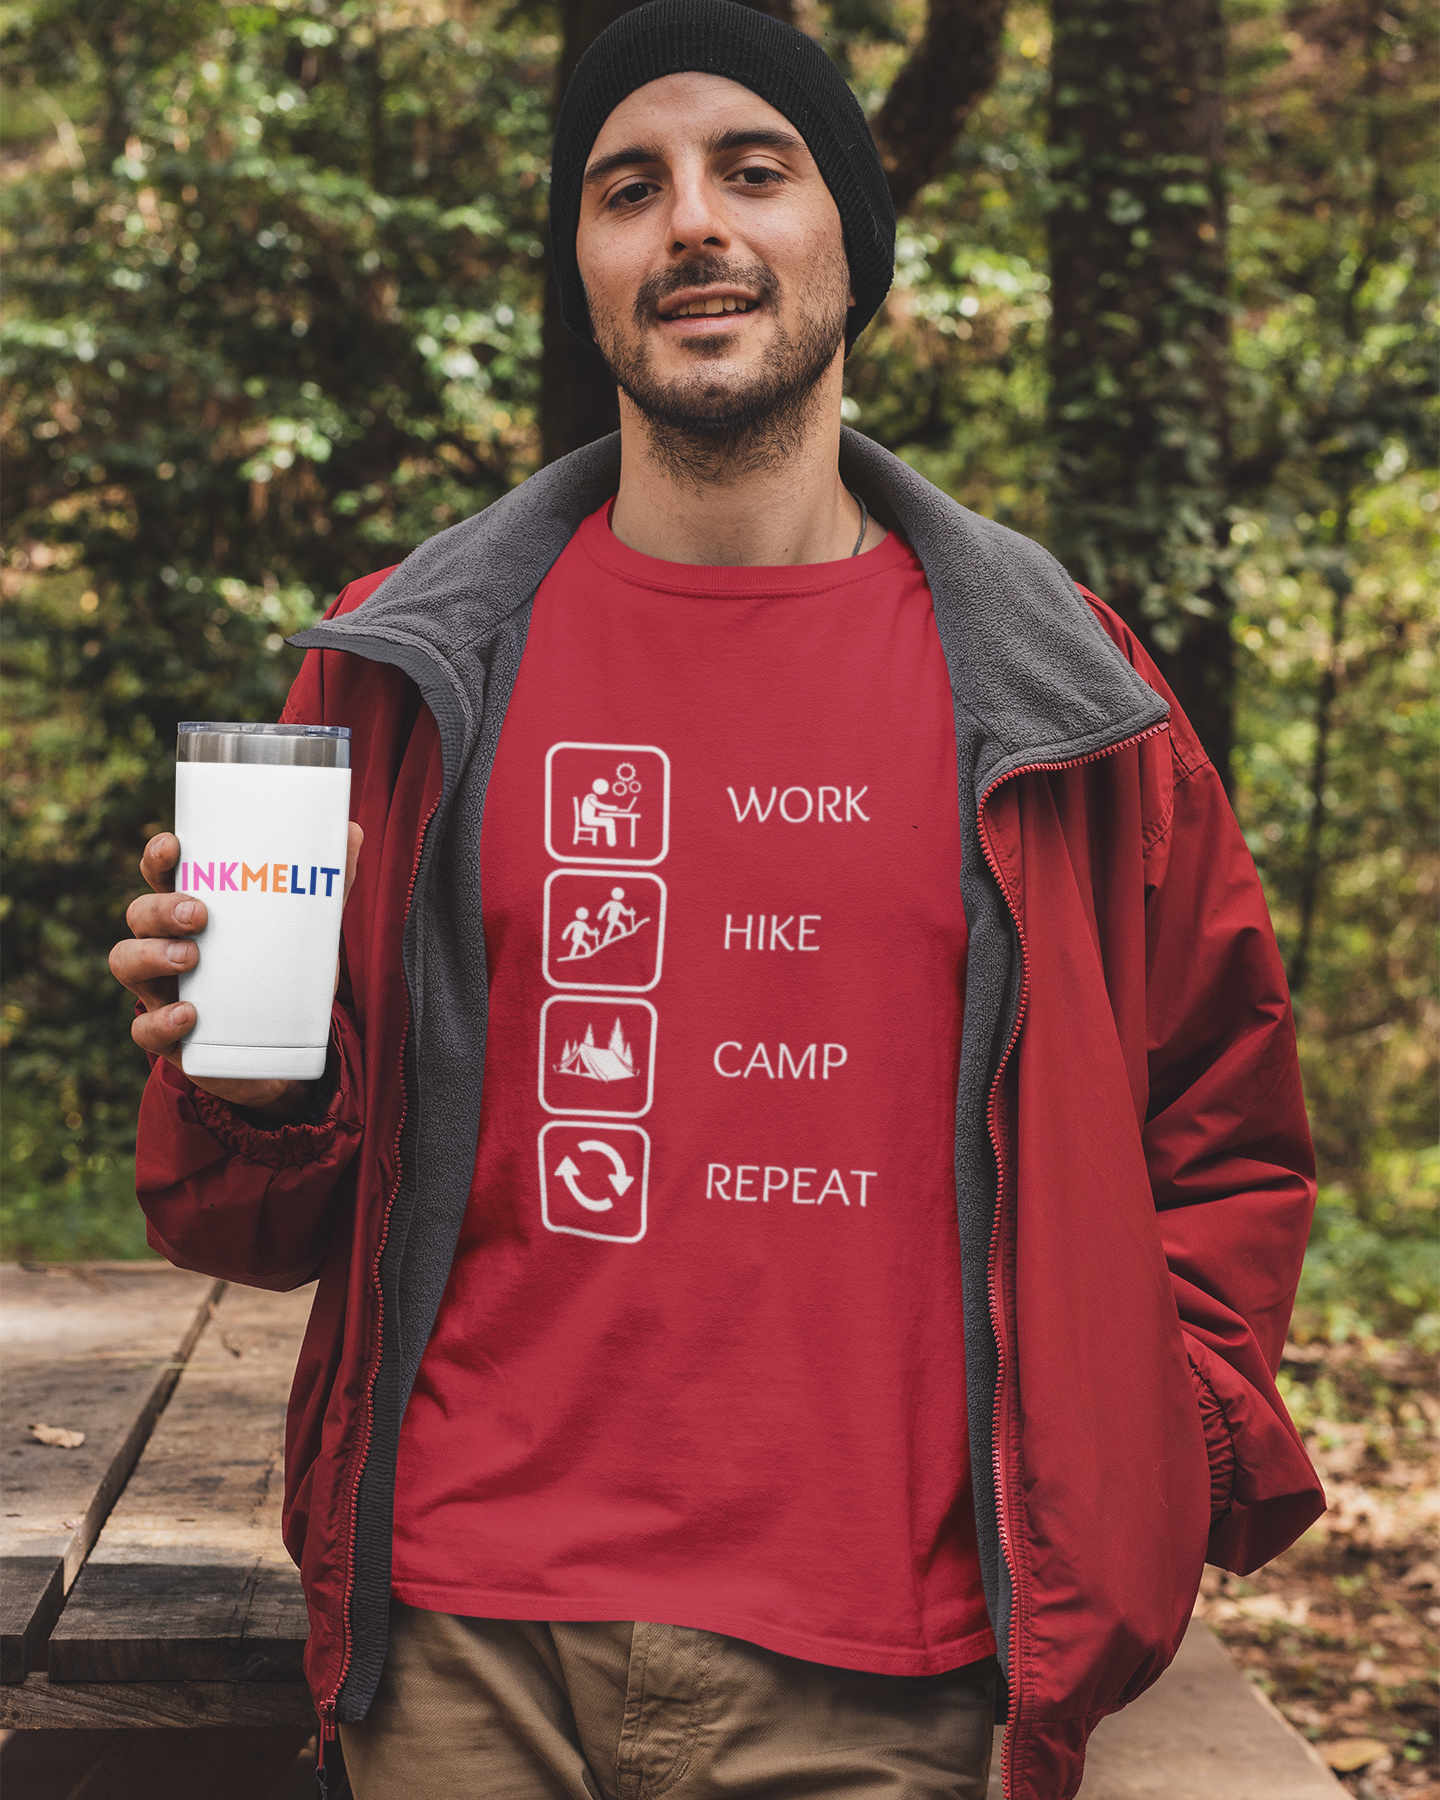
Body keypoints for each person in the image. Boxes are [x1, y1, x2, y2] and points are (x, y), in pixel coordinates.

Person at [108, 2, 1324, 1795]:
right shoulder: (412, 669)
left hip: (894, 1678)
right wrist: (242, 1075)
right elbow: (260, 1217)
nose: (692, 223)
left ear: (852, 239)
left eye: (755, 170)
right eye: (628, 186)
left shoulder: (1066, 701)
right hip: (461, 1644)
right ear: (584, 266)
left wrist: (1163, 1455)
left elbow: (1224, 1137)